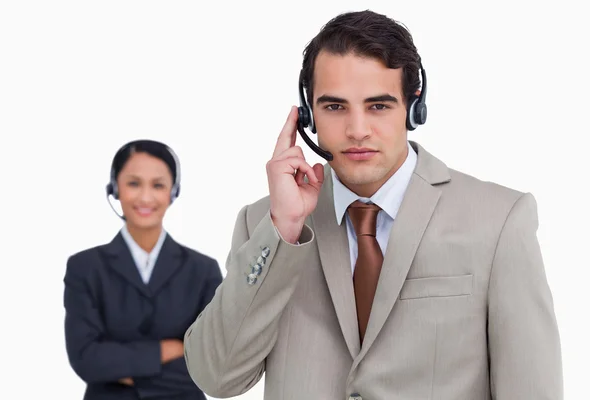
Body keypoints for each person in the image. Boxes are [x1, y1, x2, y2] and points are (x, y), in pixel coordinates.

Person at [183, 10, 563, 400]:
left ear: (414, 107)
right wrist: (282, 228)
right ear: (308, 115)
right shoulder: (265, 223)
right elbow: (217, 377)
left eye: (378, 106)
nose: (357, 129)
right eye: (335, 107)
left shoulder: (499, 220)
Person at [64, 139, 222, 400]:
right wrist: (167, 350)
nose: (146, 197)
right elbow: (86, 360)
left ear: (173, 192)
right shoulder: (85, 268)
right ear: (115, 189)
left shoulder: (203, 270)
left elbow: (212, 365)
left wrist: (123, 371)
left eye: (158, 185)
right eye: (134, 183)